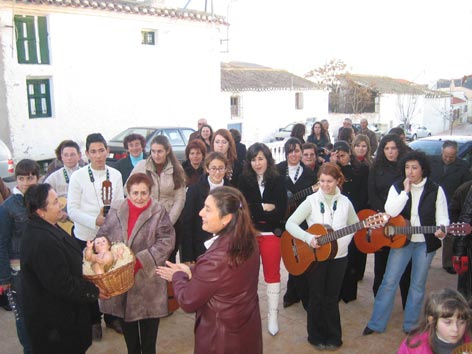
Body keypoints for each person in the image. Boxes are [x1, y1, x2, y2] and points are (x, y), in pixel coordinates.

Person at [156, 187, 262, 354]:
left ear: (226, 218)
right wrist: (192, 270)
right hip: (245, 327)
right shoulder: (248, 240)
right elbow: (226, 277)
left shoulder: (217, 258)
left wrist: (178, 275)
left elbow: (188, 301)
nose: (200, 213)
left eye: (207, 209)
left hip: (220, 339)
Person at [364, 151, 449, 335]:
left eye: (414, 168)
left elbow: (443, 216)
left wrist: (442, 229)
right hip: (402, 240)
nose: (410, 172)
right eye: (407, 167)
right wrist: (405, 192)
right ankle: (376, 323)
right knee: (389, 281)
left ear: (423, 169)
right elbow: (390, 211)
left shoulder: (436, 189)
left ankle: (411, 325)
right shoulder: (397, 187)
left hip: (425, 243)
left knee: (417, 284)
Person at [20, 183, 106, 354]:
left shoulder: (48, 225)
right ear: (40, 211)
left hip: (64, 316)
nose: (60, 204)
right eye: (54, 202)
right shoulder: (41, 241)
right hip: (55, 324)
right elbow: (62, 283)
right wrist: (93, 291)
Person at [98, 173, 175, 354]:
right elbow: (104, 233)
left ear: (150, 192)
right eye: (135, 193)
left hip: (148, 278)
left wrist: (141, 260)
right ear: (128, 192)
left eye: (144, 193)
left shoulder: (158, 211)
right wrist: (101, 250)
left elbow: (166, 240)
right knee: (129, 328)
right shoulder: (117, 208)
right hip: (122, 277)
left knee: (149, 333)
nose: (139, 197)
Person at [285, 163, 359, 350]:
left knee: (332, 297)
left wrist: (344, 241)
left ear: (338, 181)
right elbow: (290, 223)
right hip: (315, 257)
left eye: (329, 181)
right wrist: (308, 237)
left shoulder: (345, 202)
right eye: (322, 181)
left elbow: (355, 224)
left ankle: (334, 337)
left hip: (339, 257)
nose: (325, 185)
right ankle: (315, 336)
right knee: (316, 296)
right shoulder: (311, 200)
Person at [67, 133, 125, 339]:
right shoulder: (78, 176)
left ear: (107, 151)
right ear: (87, 154)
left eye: (102, 150)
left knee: (109, 277)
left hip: (108, 237)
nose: (98, 155)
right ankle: (93, 320)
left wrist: (108, 224)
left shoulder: (116, 175)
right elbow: (71, 210)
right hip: (85, 236)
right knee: (89, 279)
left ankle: (111, 317)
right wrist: (95, 221)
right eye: (93, 151)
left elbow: (119, 206)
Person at [239, 143, 287, 335]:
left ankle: (273, 315)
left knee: (272, 275)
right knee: (247, 276)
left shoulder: (278, 179)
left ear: (268, 158)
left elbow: (280, 211)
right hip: (250, 234)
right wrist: (264, 207)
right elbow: (243, 209)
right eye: (253, 159)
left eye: (260, 158)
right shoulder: (244, 180)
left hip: (270, 234)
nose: (257, 163)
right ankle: (247, 315)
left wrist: (255, 209)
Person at [0, 159, 40, 354]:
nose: (25, 182)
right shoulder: (8, 207)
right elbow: (2, 243)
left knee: (42, 311)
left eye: (30, 177)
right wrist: (4, 278)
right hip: (18, 274)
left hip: (41, 268)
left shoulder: (41, 201)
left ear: (37, 178)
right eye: (21, 178)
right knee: (23, 316)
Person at [368, 134, 411, 309]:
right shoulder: (376, 167)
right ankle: (380, 303)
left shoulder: (405, 169)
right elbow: (372, 193)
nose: (390, 152)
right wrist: (385, 214)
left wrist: (396, 215)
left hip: (402, 220)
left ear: (399, 149)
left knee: (406, 268)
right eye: (386, 148)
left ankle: (407, 304)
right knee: (381, 266)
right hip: (382, 221)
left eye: (393, 148)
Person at [130, 135, 185, 264]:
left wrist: (168, 223)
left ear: (167, 151)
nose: (156, 155)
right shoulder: (141, 166)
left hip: (170, 220)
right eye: (153, 151)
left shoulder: (177, 170)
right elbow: (128, 189)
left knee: (167, 261)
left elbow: (180, 199)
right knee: (146, 260)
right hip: (146, 220)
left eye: (159, 151)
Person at [276, 138, 316, 309]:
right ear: (286, 153)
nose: (294, 154)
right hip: (282, 221)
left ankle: (298, 295)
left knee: (300, 256)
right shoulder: (277, 171)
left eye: (297, 150)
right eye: (290, 151)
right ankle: (293, 293)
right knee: (289, 255)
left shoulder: (309, 173)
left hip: (302, 222)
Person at [330, 141, 369, 302]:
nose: (340, 158)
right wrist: (333, 165)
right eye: (337, 155)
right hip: (335, 218)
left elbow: (363, 194)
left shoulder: (361, 170)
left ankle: (348, 292)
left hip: (353, 215)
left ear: (349, 154)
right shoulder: (331, 170)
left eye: (343, 155)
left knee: (351, 255)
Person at [430, 140, 472, 274]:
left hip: (452, 204)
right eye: (445, 156)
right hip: (431, 202)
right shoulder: (431, 161)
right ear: (442, 152)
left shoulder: (463, 166)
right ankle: (426, 258)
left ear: (456, 154)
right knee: (429, 230)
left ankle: (448, 263)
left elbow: (465, 187)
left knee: (450, 234)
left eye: (451, 157)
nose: (448, 159)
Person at [180, 152, 230, 264]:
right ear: (207, 169)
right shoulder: (194, 191)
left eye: (221, 168)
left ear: (226, 169)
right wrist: (187, 257)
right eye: (213, 168)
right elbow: (187, 224)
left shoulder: (231, 191)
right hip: (200, 247)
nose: (217, 172)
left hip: (224, 248)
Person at [397, 288, 471, 354]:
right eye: (448, 322)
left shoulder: (468, 345)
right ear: (432, 321)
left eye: (461, 322)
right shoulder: (414, 347)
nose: (456, 329)